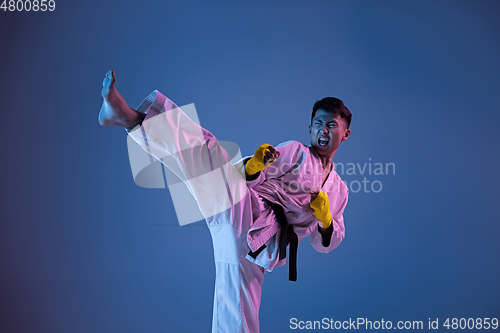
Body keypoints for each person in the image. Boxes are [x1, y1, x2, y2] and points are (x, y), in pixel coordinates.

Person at [99, 70, 352, 333]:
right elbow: (248, 179)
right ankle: (129, 118)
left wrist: (325, 219)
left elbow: (326, 244)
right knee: (210, 154)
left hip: (263, 246)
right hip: (246, 209)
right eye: (318, 123)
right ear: (310, 127)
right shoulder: (295, 151)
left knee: (239, 308)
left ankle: (128, 119)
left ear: (345, 134)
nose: (323, 130)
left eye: (332, 125)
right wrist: (255, 166)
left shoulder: (340, 191)